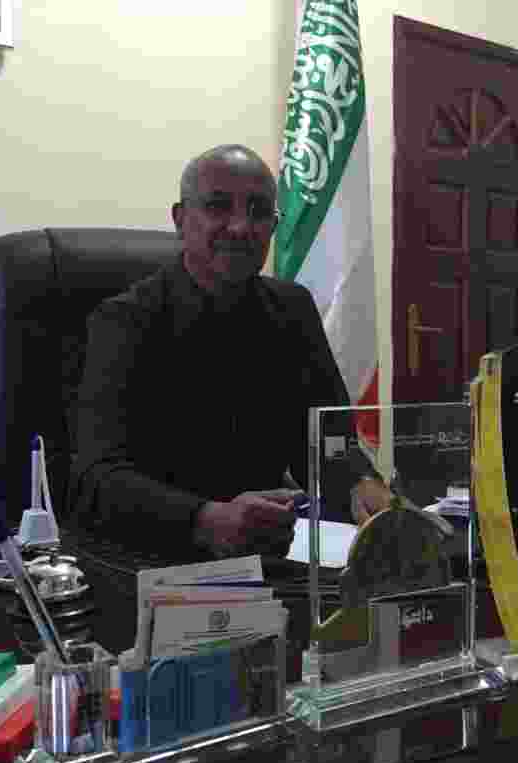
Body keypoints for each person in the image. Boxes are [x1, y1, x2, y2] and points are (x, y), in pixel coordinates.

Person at [69, 144, 388, 561]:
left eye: (258, 211)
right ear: (181, 220)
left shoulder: (292, 309)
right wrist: (204, 519)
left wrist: (360, 482)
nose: (240, 227)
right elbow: (95, 479)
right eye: (218, 206)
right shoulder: (123, 322)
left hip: (266, 557)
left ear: (273, 226)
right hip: (155, 562)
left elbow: (326, 442)